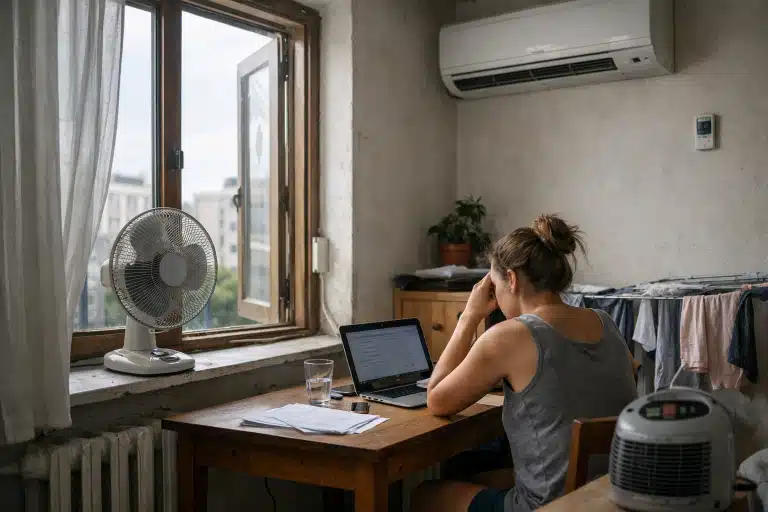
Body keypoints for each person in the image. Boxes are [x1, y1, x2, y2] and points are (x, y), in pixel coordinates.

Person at [411, 214, 637, 512]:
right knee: (480, 475)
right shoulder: (605, 322)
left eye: (495, 285)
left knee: (426, 494)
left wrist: (470, 315)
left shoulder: (510, 336)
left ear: (512, 280)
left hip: (553, 505)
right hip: (606, 494)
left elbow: (437, 399)